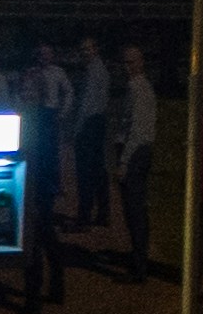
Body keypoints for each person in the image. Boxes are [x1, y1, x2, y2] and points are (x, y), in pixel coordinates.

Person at [112, 41, 163, 277]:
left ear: (141, 63)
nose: (127, 67)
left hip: (135, 153)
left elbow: (138, 130)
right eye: (126, 62)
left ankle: (140, 264)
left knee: (135, 210)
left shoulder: (139, 89)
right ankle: (139, 257)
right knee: (135, 209)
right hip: (138, 151)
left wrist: (124, 161)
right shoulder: (139, 87)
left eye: (132, 62)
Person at [68, 37, 116, 232]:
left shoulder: (94, 72)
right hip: (98, 122)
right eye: (83, 50)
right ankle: (103, 212)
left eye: (88, 49)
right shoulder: (100, 70)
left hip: (90, 124)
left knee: (85, 172)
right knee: (98, 170)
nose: (85, 53)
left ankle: (85, 215)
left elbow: (87, 104)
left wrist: (77, 129)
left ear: (95, 49)